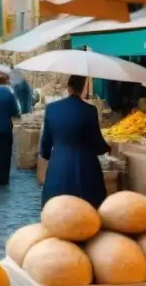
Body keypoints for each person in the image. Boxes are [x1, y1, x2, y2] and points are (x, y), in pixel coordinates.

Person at [41, 75, 109, 209]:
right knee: (86, 208)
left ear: (68, 88)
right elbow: (97, 142)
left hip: (58, 164)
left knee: (56, 208)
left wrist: (49, 156)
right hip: (85, 165)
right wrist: (106, 148)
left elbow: (46, 143)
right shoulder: (90, 110)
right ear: (83, 88)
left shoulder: (51, 108)